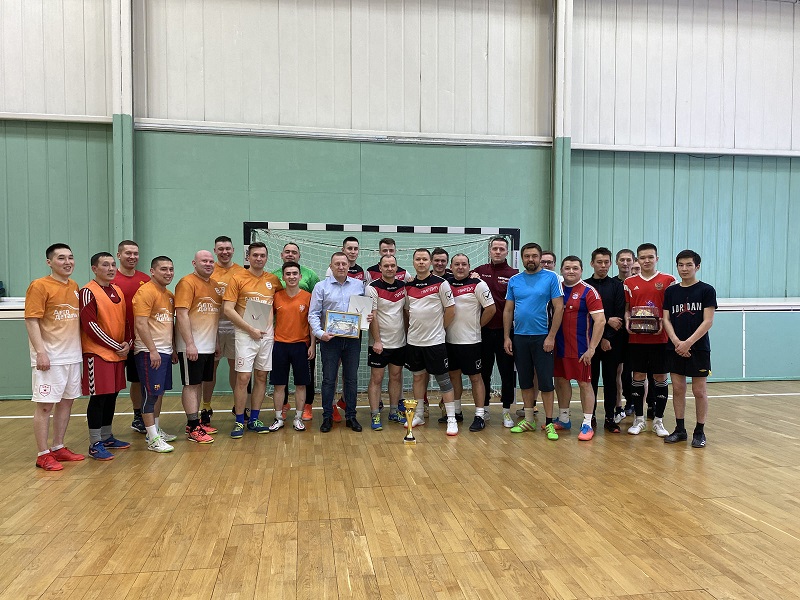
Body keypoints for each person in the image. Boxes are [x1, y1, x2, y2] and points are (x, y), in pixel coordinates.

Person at [26, 243, 85, 471]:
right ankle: (43, 454)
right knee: (45, 407)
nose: (67, 262)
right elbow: (32, 320)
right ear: (49, 262)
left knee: (67, 402)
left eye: (70, 257)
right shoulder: (39, 286)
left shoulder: (74, 286)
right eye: (61, 258)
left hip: (72, 356)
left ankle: (58, 446)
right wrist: (40, 352)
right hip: (50, 358)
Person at [503, 243, 564, 440]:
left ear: (539, 258)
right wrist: (507, 337)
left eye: (534, 256)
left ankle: (549, 423)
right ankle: (528, 420)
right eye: (527, 256)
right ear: (522, 258)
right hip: (520, 338)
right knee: (525, 381)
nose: (531, 259)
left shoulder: (551, 278)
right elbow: (508, 310)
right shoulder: (514, 280)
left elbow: (559, 308)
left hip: (543, 337)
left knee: (546, 382)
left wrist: (551, 336)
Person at [222, 242, 283, 438]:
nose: (259, 258)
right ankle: (240, 420)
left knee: (261, 376)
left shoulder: (273, 280)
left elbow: (279, 304)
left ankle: (255, 419)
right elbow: (228, 309)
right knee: (243, 378)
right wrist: (250, 329)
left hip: (267, 335)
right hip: (245, 334)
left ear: (266, 258)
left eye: (262, 255)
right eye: (255, 255)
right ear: (248, 257)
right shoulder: (237, 278)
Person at [309, 252, 372, 433]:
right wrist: (320, 333)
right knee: (329, 379)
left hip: (352, 340)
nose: (341, 267)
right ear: (331, 266)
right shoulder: (321, 287)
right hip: (330, 340)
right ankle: (327, 416)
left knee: (351, 379)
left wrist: (368, 317)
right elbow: (313, 314)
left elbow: (364, 309)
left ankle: (351, 416)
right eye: (337, 264)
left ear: (348, 266)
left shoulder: (359, 285)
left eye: (344, 264)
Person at [79, 252, 133, 460]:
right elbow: (90, 326)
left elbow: (125, 321)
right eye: (105, 265)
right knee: (99, 397)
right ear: (94, 268)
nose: (110, 268)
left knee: (112, 395)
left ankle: (106, 436)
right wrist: (116, 345)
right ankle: (95, 444)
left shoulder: (117, 290)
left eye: (112, 265)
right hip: (98, 353)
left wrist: (127, 343)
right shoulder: (87, 291)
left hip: (118, 353)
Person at [662, 250, 716, 448]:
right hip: (675, 348)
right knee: (678, 389)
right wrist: (677, 342)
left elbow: (708, 321)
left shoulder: (706, 290)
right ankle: (680, 429)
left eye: (688, 265)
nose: (684, 269)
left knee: (699, 390)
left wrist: (688, 343)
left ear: (697, 267)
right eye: (680, 265)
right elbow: (666, 319)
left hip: (698, 348)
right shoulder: (671, 292)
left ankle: (699, 431)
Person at [624, 243, 677, 437]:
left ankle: (658, 421)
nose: (646, 261)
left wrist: (663, 323)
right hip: (636, 339)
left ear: (657, 258)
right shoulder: (629, 282)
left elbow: (670, 309)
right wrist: (628, 321)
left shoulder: (668, 280)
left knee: (660, 377)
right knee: (638, 376)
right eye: (642, 257)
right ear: (637, 260)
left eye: (650, 257)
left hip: (661, 339)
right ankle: (639, 420)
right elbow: (627, 308)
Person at [404, 248, 457, 434]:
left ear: (430, 262)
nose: (421, 262)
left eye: (424, 259)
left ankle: (451, 418)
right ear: (413, 262)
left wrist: (440, 329)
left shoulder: (441, 283)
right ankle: (418, 414)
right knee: (418, 377)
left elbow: (451, 310)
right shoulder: (408, 286)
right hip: (414, 342)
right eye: (418, 259)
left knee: (443, 380)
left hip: (435, 342)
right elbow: (407, 312)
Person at [552, 256, 606, 441]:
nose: (571, 271)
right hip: (558, 346)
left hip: (581, 348)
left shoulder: (589, 291)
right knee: (560, 381)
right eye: (567, 268)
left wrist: (592, 348)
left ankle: (587, 423)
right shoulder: (556, 289)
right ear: (561, 270)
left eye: (575, 268)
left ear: (581, 270)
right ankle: (564, 418)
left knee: (584, 384)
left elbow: (600, 321)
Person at [175, 250, 222, 444]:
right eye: (204, 261)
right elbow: (181, 314)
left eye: (211, 261)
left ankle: (196, 423)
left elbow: (214, 317)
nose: (208, 264)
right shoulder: (186, 283)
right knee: (191, 385)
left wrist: (216, 341)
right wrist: (189, 343)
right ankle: (193, 427)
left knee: (199, 384)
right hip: (192, 346)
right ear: (194, 263)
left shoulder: (215, 286)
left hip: (208, 346)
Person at [444, 254, 495, 432]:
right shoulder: (446, 284)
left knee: (475, 378)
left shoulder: (478, 284)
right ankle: (457, 412)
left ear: (469, 266)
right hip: (449, 340)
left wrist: (477, 326)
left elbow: (491, 309)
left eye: (464, 264)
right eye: (456, 264)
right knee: (453, 376)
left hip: (471, 341)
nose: (460, 267)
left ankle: (479, 415)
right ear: (451, 267)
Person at [133, 256, 178, 453]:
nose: (168, 273)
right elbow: (141, 323)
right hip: (149, 352)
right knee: (150, 395)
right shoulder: (145, 292)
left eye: (171, 269)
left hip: (165, 351)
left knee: (159, 393)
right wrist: (152, 350)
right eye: (163, 269)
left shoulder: (168, 294)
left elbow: (169, 324)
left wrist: (172, 348)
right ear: (152, 271)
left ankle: (156, 431)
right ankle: (152, 438)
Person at [272, 242, 320, 421]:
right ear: (282, 277)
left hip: (302, 344)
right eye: (288, 274)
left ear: (300, 276)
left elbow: (313, 320)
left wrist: (313, 344)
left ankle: (302, 412)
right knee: (279, 383)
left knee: (303, 382)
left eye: (294, 274)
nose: (291, 277)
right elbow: (267, 318)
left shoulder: (309, 293)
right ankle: (280, 413)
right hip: (279, 343)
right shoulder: (276, 293)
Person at [474, 237, 518, 423]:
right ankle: (483, 408)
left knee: (507, 373)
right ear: (490, 250)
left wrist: (508, 335)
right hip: (482, 331)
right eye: (495, 248)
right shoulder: (478, 272)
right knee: (483, 372)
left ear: (507, 252)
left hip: (505, 333)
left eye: (501, 249)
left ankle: (506, 410)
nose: (498, 252)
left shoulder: (514, 275)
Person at [584, 247, 627, 433]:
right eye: (599, 262)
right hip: (590, 343)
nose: (603, 266)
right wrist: (600, 336)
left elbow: (618, 317)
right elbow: (586, 315)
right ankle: (590, 416)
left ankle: (610, 418)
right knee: (590, 380)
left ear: (610, 264)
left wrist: (607, 337)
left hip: (612, 342)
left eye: (606, 262)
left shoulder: (617, 286)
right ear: (592, 263)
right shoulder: (585, 286)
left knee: (610, 380)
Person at [111, 240, 150, 434]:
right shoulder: (110, 279)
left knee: (138, 381)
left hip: (138, 341)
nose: (132, 257)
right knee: (112, 385)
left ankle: (138, 416)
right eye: (128, 253)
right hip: (115, 343)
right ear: (119, 255)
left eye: (135, 253)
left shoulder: (145, 279)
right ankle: (104, 429)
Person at [365, 254, 407, 430]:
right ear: (380, 268)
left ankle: (394, 411)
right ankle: (375, 414)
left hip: (400, 343)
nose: (390, 268)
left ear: (396, 268)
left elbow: (405, 312)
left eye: (392, 265)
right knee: (377, 378)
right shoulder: (372, 288)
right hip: (379, 344)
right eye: (386, 266)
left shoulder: (403, 287)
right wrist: (377, 341)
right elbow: (372, 316)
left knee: (396, 377)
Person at [210, 236, 247, 427]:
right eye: (221, 249)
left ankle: (238, 406)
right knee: (211, 368)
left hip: (235, 326)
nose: (224, 252)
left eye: (227, 249)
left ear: (233, 250)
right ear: (215, 251)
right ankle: (206, 407)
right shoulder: (208, 270)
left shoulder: (241, 272)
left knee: (237, 367)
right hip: (211, 327)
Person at [615, 248, 636, 417]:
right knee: (619, 372)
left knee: (637, 371)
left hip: (636, 333)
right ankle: (619, 405)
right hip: (616, 333)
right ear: (617, 262)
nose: (625, 263)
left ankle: (638, 403)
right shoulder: (613, 283)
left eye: (628, 260)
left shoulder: (638, 283)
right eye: (622, 260)